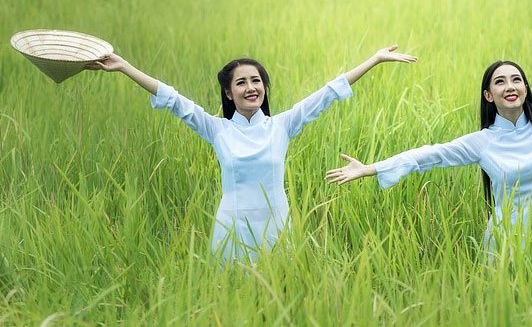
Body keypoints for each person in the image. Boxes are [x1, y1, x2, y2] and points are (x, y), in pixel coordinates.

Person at [326, 33, 532, 261]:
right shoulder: (483, 142)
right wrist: (369, 168)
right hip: (506, 242)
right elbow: (427, 155)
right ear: (489, 96)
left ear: (525, 89)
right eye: (500, 81)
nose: (511, 86)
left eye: (516, 79)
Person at [88, 45, 417, 261]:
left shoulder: (281, 126)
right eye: (241, 83)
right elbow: (174, 100)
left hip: (276, 226)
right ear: (229, 93)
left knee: (278, 296)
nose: (251, 87)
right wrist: (125, 67)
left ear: (264, 88)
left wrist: (374, 60)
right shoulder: (217, 129)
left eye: (256, 80)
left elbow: (327, 94)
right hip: (231, 227)